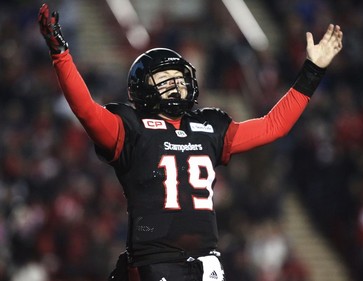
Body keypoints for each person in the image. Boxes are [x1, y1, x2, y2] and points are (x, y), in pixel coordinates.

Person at [38, 3, 343, 281]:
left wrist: (312, 72)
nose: (174, 83)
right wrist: (60, 54)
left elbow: (273, 126)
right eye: (164, 78)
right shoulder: (130, 127)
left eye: (178, 77)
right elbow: (87, 111)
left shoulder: (209, 126)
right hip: (156, 261)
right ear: (143, 87)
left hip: (206, 262)